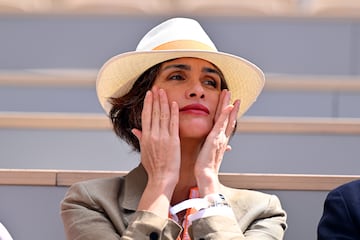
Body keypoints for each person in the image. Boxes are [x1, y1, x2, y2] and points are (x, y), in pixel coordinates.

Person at [61, 17, 287, 239]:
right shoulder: (90, 201)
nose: (198, 90)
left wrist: (209, 183)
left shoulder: (263, 210)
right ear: (140, 104)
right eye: (177, 76)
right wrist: (159, 185)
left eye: (210, 82)